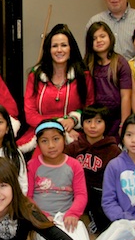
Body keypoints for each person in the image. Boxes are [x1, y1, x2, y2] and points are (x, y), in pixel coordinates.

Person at [19, 24, 94, 152]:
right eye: (55, 46)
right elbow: (30, 113)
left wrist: (73, 120)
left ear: (71, 49)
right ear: (48, 50)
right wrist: (57, 125)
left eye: (64, 45)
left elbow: (90, 108)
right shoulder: (35, 75)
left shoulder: (83, 75)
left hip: (73, 132)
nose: (59, 50)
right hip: (41, 131)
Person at [65, 105, 121, 234]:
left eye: (98, 121)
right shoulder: (73, 147)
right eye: (88, 121)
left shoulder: (113, 150)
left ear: (106, 124)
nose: (93, 126)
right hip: (75, 193)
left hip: (101, 196)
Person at [27, 120, 88, 232]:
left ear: (64, 139)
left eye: (56, 139)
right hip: (40, 218)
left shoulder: (74, 165)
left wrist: (72, 214)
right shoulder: (32, 166)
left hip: (67, 218)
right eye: (44, 141)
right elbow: (28, 197)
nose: (51, 146)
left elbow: (81, 194)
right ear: (38, 144)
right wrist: (41, 216)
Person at [84, 21, 132, 137]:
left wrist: (124, 124)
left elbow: (126, 96)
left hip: (116, 118)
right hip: (95, 118)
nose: (99, 40)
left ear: (110, 37)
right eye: (94, 38)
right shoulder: (87, 64)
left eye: (102, 36)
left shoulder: (120, 63)